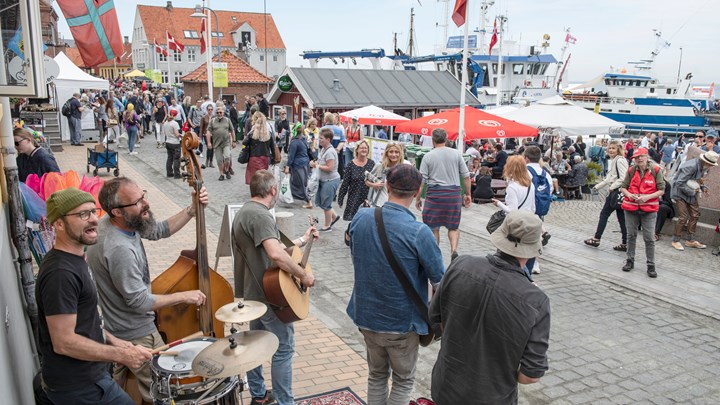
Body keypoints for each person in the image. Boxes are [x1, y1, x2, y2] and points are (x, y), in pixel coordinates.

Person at [86, 177, 208, 403]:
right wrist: (185, 296)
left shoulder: (121, 224)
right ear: (117, 212)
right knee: (163, 391)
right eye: (138, 201)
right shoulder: (118, 248)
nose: (146, 203)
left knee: (138, 383)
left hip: (127, 327)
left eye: (143, 195)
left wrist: (192, 210)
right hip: (136, 333)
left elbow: (159, 230)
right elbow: (139, 301)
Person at [37, 188, 152, 405]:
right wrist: (121, 356)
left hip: (93, 377)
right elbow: (64, 342)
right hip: (78, 387)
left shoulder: (77, 258)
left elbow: (86, 320)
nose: (93, 220)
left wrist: (117, 342)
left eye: (93, 212)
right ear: (59, 224)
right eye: (82, 215)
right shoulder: (61, 273)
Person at [347, 164, 445, 405]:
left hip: (366, 316)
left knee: (376, 376)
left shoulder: (361, 217)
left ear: (387, 186)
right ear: (418, 191)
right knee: (403, 381)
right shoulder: (419, 232)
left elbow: (354, 247)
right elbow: (441, 282)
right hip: (402, 322)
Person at [430, 210, 550, 404]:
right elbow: (531, 375)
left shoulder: (460, 264)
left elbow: (436, 319)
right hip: (493, 397)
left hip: (446, 387)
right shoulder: (536, 300)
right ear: (533, 249)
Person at [232, 170, 317, 405]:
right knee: (283, 350)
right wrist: (303, 276)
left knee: (255, 345)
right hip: (269, 295)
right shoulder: (260, 216)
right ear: (272, 190)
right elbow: (276, 255)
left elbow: (275, 245)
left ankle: (259, 394)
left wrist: (303, 238)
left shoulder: (246, 212)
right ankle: (284, 402)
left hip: (255, 293)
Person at [416, 128, 471, 260]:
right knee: (453, 226)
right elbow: (466, 176)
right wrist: (468, 194)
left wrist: (417, 198)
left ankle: (435, 254)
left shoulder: (428, 156)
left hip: (435, 194)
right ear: (446, 139)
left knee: (434, 228)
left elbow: (422, 180)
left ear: (433, 140)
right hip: (453, 194)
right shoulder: (456, 154)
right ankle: (453, 250)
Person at [619, 147, 665, 277]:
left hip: (649, 209)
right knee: (631, 235)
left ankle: (651, 265)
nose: (639, 159)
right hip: (631, 207)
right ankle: (630, 260)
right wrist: (630, 194)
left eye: (641, 156)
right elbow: (623, 187)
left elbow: (661, 189)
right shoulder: (631, 170)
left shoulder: (656, 170)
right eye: (636, 157)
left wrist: (647, 197)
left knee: (649, 238)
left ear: (647, 157)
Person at [584, 140, 629, 251]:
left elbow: (623, 178)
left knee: (605, 214)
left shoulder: (619, 160)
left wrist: (612, 187)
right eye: (609, 148)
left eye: (613, 148)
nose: (611, 150)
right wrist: (597, 186)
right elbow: (610, 178)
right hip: (616, 191)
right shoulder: (615, 160)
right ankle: (625, 242)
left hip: (616, 192)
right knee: (621, 217)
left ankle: (596, 238)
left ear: (619, 149)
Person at [670, 150, 719, 250]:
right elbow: (679, 183)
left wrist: (703, 187)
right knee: (683, 217)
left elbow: (698, 180)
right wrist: (693, 191)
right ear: (706, 162)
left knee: (695, 215)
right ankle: (675, 240)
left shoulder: (702, 166)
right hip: (679, 193)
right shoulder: (691, 166)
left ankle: (690, 240)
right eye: (711, 164)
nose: (712, 166)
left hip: (690, 192)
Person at [311, 128, 342, 231]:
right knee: (322, 202)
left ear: (328, 139)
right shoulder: (324, 149)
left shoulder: (330, 152)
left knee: (326, 204)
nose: (319, 140)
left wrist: (317, 166)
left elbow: (330, 168)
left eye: (321, 138)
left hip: (330, 180)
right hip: (324, 180)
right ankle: (334, 216)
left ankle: (327, 226)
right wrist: (316, 164)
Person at [338, 140, 375, 221]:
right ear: (357, 150)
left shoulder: (372, 164)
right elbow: (345, 184)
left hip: (368, 199)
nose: (364, 150)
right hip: (354, 199)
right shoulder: (350, 165)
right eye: (362, 148)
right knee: (353, 222)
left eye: (366, 148)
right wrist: (340, 198)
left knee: (366, 222)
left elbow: (376, 180)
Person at [365, 142, 407, 207]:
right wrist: (374, 185)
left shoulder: (402, 169)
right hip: (378, 205)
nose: (394, 154)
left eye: (396, 152)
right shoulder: (380, 166)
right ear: (387, 153)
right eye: (391, 152)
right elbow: (366, 180)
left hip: (395, 206)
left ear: (400, 153)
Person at [243, 112, 277, 184]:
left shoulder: (252, 133)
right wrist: (273, 158)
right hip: (265, 158)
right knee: (263, 176)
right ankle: (263, 190)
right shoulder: (268, 133)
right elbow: (272, 147)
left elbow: (244, 142)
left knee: (254, 177)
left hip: (254, 157)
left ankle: (257, 192)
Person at [284, 123, 311, 206]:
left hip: (298, 165)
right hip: (305, 164)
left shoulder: (294, 142)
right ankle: (292, 197)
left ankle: (308, 201)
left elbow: (291, 156)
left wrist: (287, 167)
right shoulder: (303, 139)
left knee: (299, 184)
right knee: (301, 183)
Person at [207, 105, 236, 181]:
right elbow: (208, 132)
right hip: (217, 144)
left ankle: (226, 169)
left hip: (226, 143)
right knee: (219, 160)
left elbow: (232, 130)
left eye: (220, 112)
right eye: (217, 112)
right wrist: (209, 142)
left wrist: (234, 141)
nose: (219, 114)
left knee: (227, 158)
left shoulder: (227, 120)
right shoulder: (212, 121)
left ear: (223, 113)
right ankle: (221, 174)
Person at [321, 112, 346, 177]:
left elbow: (320, 143)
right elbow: (342, 141)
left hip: (325, 152)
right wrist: (337, 149)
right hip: (337, 153)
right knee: (337, 168)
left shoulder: (322, 129)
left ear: (325, 120)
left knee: (326, 168)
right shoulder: (339, 129)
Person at [163, 109, 182, 179]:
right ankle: (177, 174)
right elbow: (177, 134)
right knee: (176, 158)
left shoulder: (165, 123)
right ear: (175, 115)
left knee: (169, 158)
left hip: (168, 141)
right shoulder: (175, 123)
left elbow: (165, 133)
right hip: (175, 142)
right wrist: (181, 135)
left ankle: (169, 172)